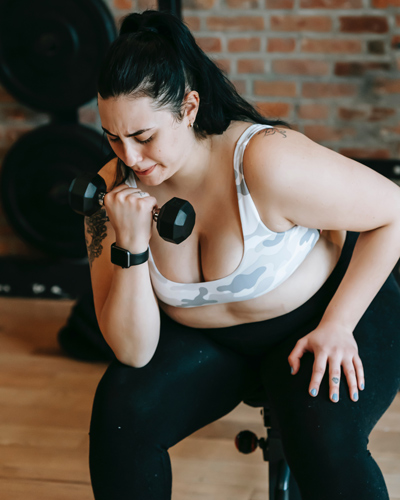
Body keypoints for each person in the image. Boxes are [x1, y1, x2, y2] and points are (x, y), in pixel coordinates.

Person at [86, 9, 400, 500]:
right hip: (213, 343)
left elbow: (394, 213)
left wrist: (338, 326)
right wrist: (130, 247)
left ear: (188, 108)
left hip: (323, 314)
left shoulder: (265, 160)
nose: (130, 158)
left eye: (144, 136)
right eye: (113, 137)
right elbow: (134, 351)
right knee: (121, 417)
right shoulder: (111, 194)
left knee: (323, 440)